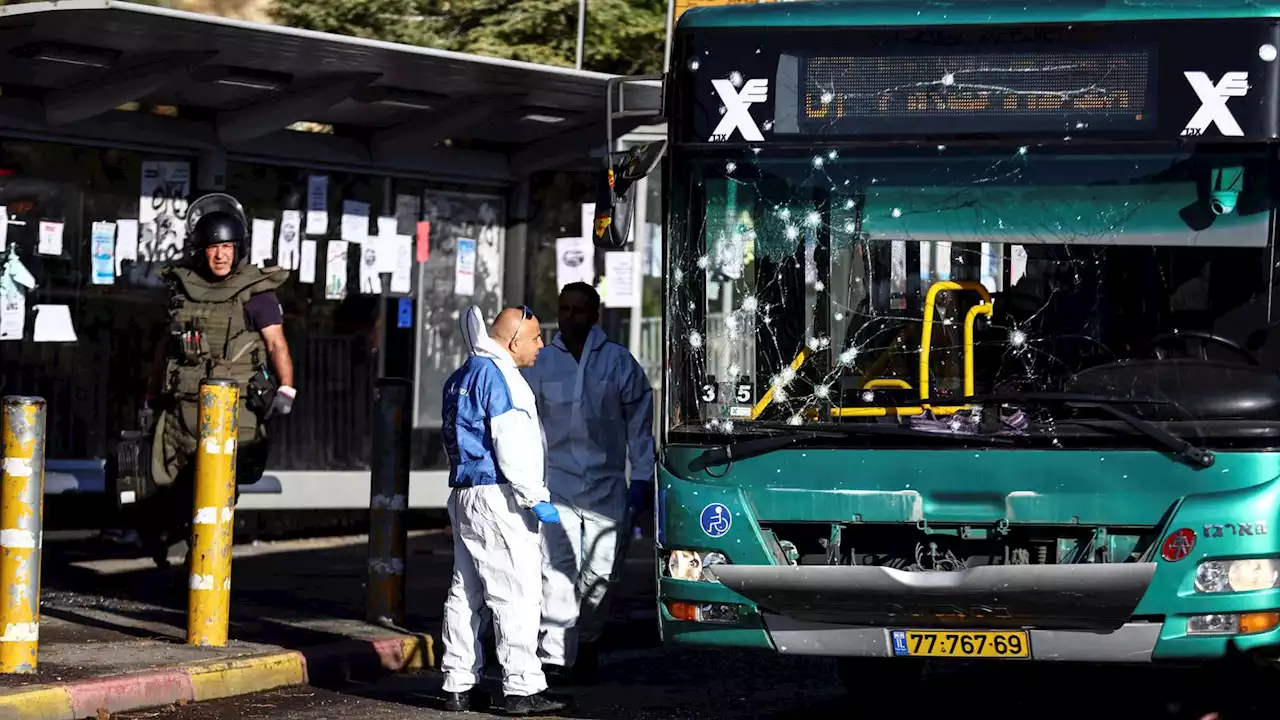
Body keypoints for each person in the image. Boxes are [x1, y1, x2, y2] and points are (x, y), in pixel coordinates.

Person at [138, 194, 296, 570]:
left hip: (231, 413)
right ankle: (180, 545)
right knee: (163, 483)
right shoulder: (182, 289)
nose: (221, 255)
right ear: (200, 250)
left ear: (237, 249)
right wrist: (149, 394)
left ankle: (204, 563)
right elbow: (166, 348)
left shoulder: (257, 293)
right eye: (213, 247)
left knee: (216, 490)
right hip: (181, 411)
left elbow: (277, 344)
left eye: (227, 246)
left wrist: (287, 388)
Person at [524, 282, 656, 683]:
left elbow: (640, 423)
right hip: (557, 482)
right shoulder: (542, 362)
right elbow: (526, 421)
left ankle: (588, 638)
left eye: (579, 310)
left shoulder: (618, 362)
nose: (570, 318)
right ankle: (559, 657)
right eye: (564, 309)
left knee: (601, 574)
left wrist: (643, 474)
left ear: (595, 315)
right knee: (559, 570)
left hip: (607, 484)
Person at [440, 305, 567, 716]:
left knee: (465, 592)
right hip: (500, 497)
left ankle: (458, 684)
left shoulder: (462, 375)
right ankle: (522, 689)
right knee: (517, 593)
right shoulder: (503, 378)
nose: (541, 345)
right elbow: (513, 444)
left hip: (464, 494)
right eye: (535, 338)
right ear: (514, 342)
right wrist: (536, 497)